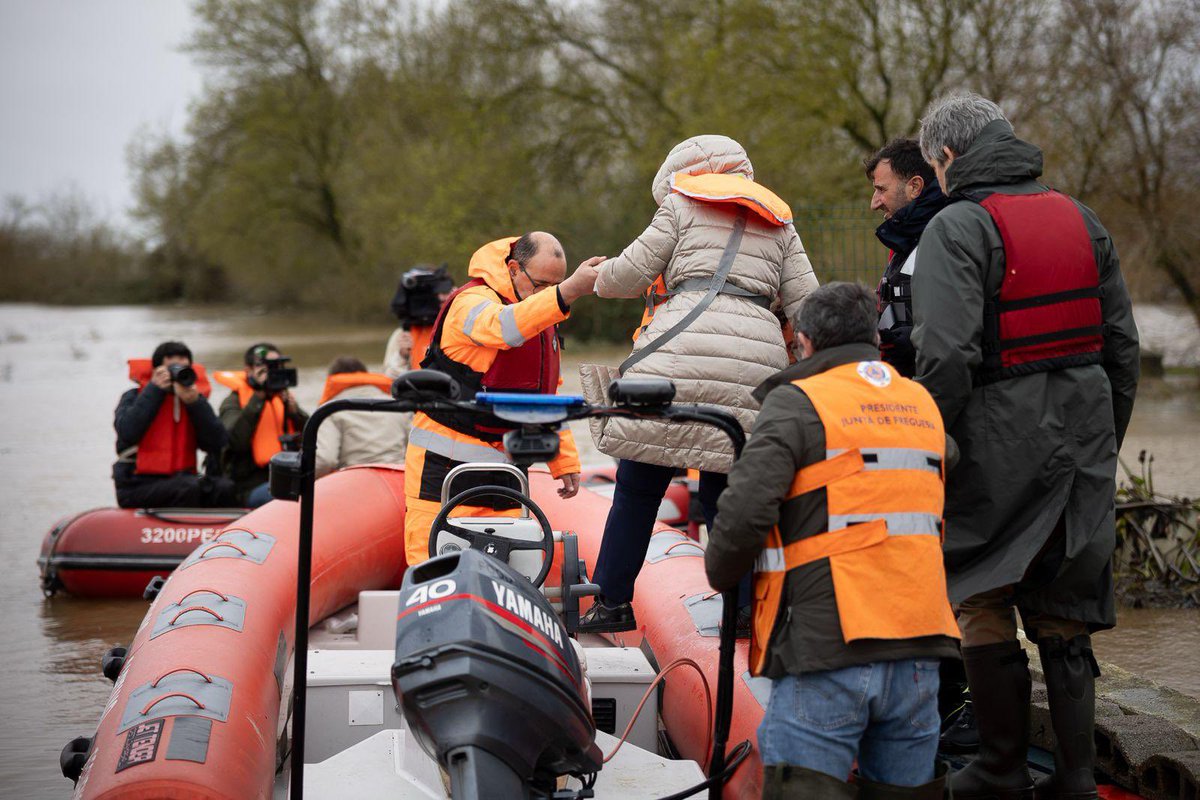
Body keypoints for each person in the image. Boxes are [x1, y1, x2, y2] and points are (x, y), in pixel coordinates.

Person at [913, 91, 1140, 800]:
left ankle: (1000, 768)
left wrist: (928, 450)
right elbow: (1123, 348)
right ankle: (1076, 778)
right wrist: (1102, 440)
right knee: (1064, 603)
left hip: (997, 437)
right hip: (1087, 432)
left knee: (980, 590)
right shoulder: (1083, 218)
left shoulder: (957, 226)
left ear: (947, 156)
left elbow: (946, 357)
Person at [705, 282, 960, 798]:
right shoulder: (921, 404)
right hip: (920, 644)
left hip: (828, 644)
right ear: (874, 339)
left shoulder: (797, 403)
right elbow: (945, 459)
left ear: (804, 342)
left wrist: (721, 572)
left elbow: (743, 517)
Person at [577, 134, 818, 633]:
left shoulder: (682, 205)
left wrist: (596, 277)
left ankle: (611, 602)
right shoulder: (779, 219)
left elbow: (627, 277)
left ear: (683, 173)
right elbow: (808, 305)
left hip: (677, 356)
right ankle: (744, 609)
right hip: (756, 364)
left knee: (638, 485)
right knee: (728, 493)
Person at [403, 232, 603, 566]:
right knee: (432, 568)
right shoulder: (472, 302)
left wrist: (564, 461)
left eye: (554, 286)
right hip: (443, 473)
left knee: (512, 570)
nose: (546, 294)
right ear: (513, 269)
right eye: (541, 284)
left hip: (507, 474)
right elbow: (502, 328)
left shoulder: (539, 316)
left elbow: (545, 396)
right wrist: (567, 291)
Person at [113, 341, 236, 508]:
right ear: (156, 371)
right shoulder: (133, 397)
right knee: (187, 487)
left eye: (183, 368)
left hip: (183, 480)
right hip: (137, 483)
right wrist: (154, 390)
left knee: (224, 488)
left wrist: (195, 404)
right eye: (172, 368)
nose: (177, 374)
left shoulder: (192, 400)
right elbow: (127, 432)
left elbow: (217, 443)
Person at [864, 137, 948, 378]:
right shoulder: (904, 240)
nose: (874, 203)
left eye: (881, 190)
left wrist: (911, 341)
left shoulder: (945, 236)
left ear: (915, 187)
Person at [215, 343, 311, 507]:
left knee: (318, 490)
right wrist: (258, 397)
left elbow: (313, 438)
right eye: (264, 366)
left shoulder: (284, 399)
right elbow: (235, 442)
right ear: (248, 370)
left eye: (275, 366)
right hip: (248, 486)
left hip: (287, 477)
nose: (271, 371)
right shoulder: (233, 402)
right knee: (289, 496)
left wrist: (295, 413)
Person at [314, 356, 407, 478]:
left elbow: (325, 461)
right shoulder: (396, 406)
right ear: (365, 375)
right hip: (399, 477)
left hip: (356, 479)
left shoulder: (330, 410)